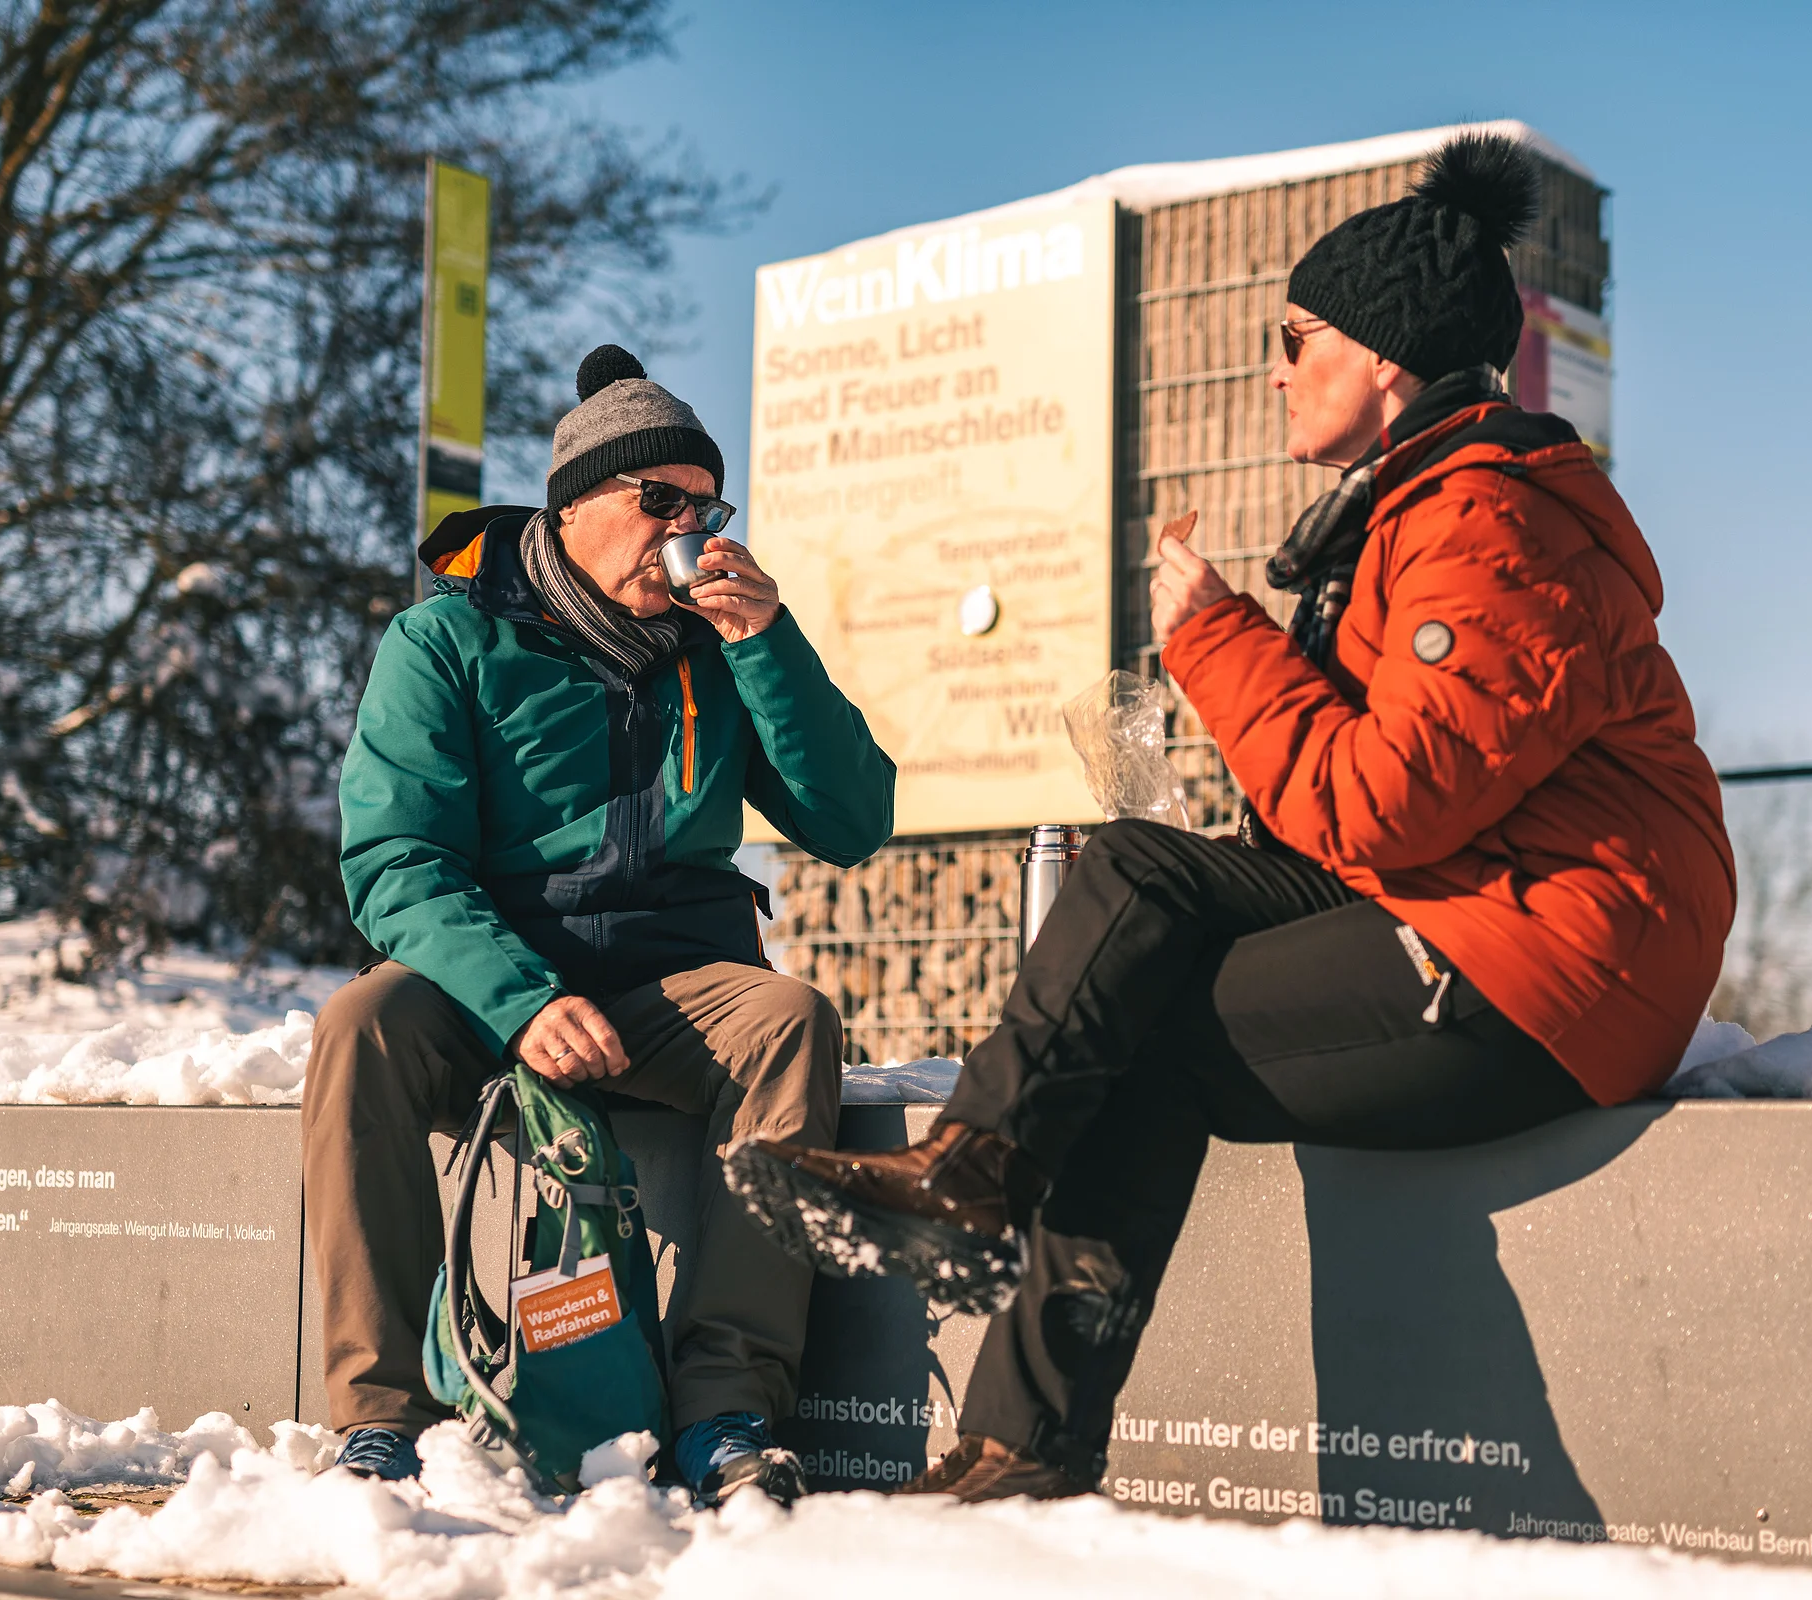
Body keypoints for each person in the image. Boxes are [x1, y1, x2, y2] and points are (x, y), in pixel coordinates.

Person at [723, 133, 1736, 1500]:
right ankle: (993, 1291)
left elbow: (1380, 801)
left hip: (1549, 961)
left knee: (1142, 1040)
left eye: (1295, 339)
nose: (1273, 368)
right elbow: (1350, 814)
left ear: (1384, 358)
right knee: (1141, 876)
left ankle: (1015, 1388)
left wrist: (1215, 639)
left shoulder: (1491, 525)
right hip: (1471, 906)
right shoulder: (1412, 516)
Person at [306, 344, 895, 1502]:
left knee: (792, 1017)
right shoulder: (450, 641)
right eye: (659, 501)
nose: (688, 528)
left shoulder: (719, 652)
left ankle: (724, 1409)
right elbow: (393, 861)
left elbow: (852, 818)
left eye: (705, 505)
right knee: (360, 1024)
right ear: (573, 505)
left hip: (675, 982)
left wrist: (767, 644)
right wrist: (523, 1000)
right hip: (493, 982)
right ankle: (379, 1414)